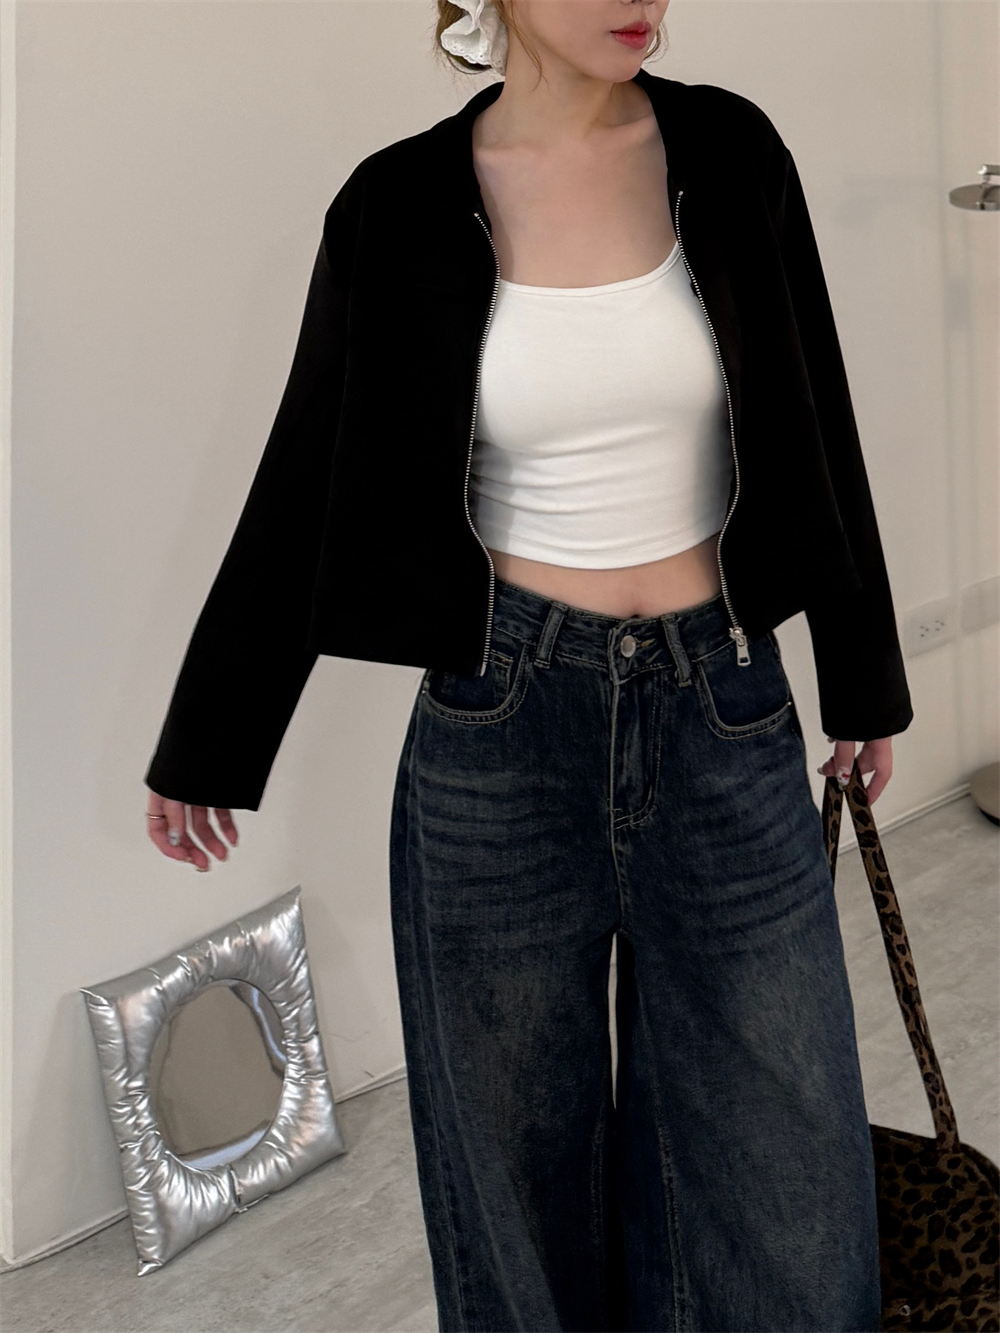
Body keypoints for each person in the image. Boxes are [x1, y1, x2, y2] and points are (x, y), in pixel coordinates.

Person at [145, 2, 914, 1328]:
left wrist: (863, 670)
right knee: (514, 1181)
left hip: (722, 706)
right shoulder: (394, 206)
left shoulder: (732, 152)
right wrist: (212, 737)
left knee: (786, 1179)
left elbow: (816, 408)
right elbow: (307, 464)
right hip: (501, 735)